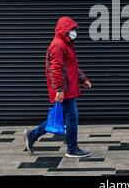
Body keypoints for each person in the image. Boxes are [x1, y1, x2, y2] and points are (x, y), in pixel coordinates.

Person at [24, 16, 92, 158]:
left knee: (61, 116)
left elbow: (71, 66)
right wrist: (59, 90)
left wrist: (82, 79)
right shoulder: (58, 45)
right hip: (64, 89)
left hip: (68, 87)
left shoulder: (66, 44)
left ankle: (32, 135)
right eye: (72, 29)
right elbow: (55, 69)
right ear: (65, 30)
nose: (74, 32)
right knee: (72, 117)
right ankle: (72, 148)